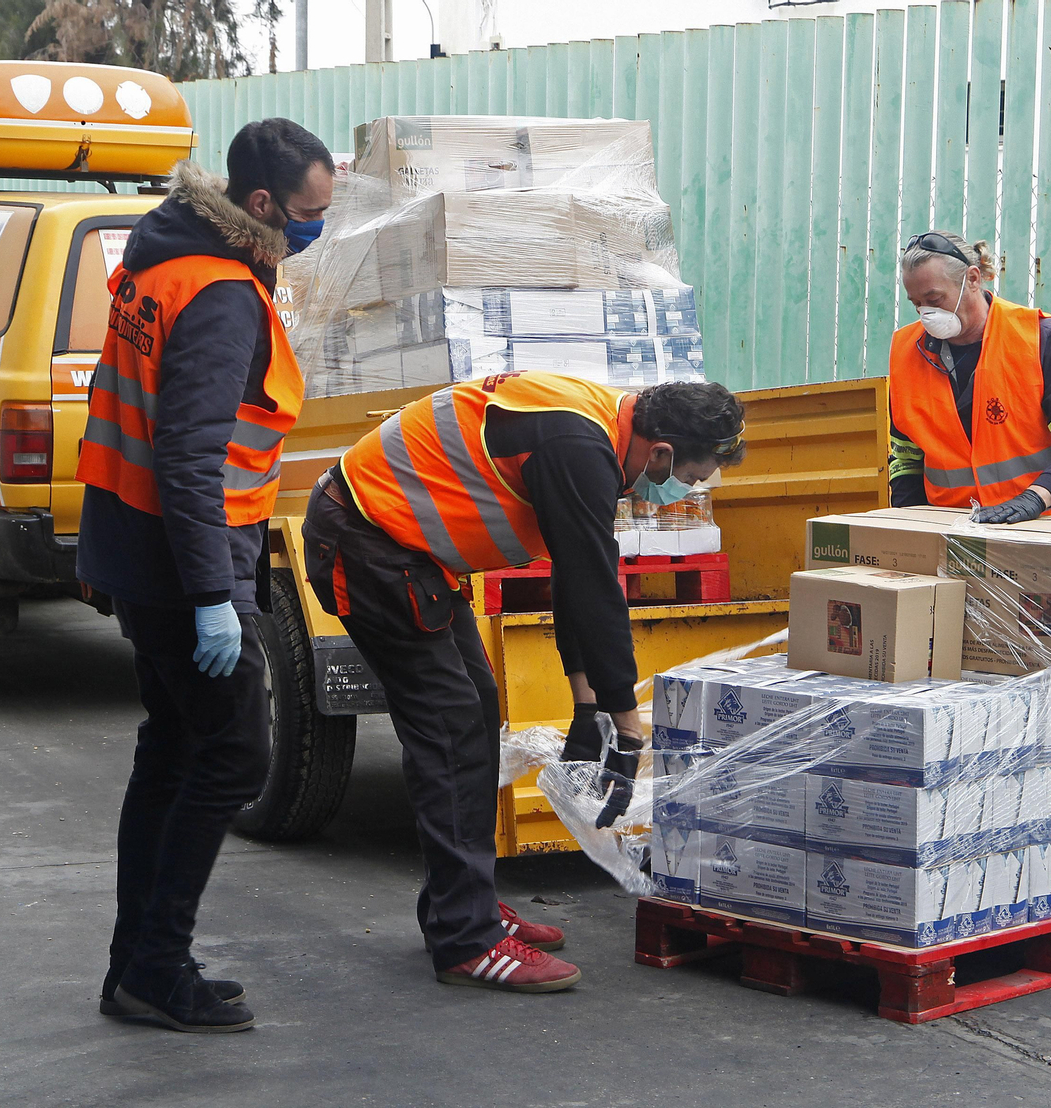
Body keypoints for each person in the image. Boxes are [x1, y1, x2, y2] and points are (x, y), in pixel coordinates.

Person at [302, 372, 746, 993]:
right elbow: (595, 584)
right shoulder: (579, 446)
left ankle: (465, 902)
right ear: (662, 451)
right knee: (451, 730)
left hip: (403, 550)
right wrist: (626, 721)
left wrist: (586, 704)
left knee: (477, 710)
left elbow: (573, 572)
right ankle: (467, 939)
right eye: (689, 477)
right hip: (367, 543)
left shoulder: (600, 429)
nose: (681, 490)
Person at [75, 118, 334, 1033]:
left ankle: (137, 966)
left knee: (175, 749)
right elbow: (190, 457)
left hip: (137, 548)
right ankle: (155, 964)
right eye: (308, 216)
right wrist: (215, 599)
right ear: (260, 206)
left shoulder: (162, 256)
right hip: (187, 563)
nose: (316, 230)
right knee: (233, 755)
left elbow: (118, 409)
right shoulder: (222, 294)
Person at [888, 230, 1051, 523]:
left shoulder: (1040, 339)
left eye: (935, 298)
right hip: (957, 530)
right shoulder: (906, 352)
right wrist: (907, 527)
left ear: (974, 279)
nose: (926, 313)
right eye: (917, 303)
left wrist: (1035, 498)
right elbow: (905, 460)